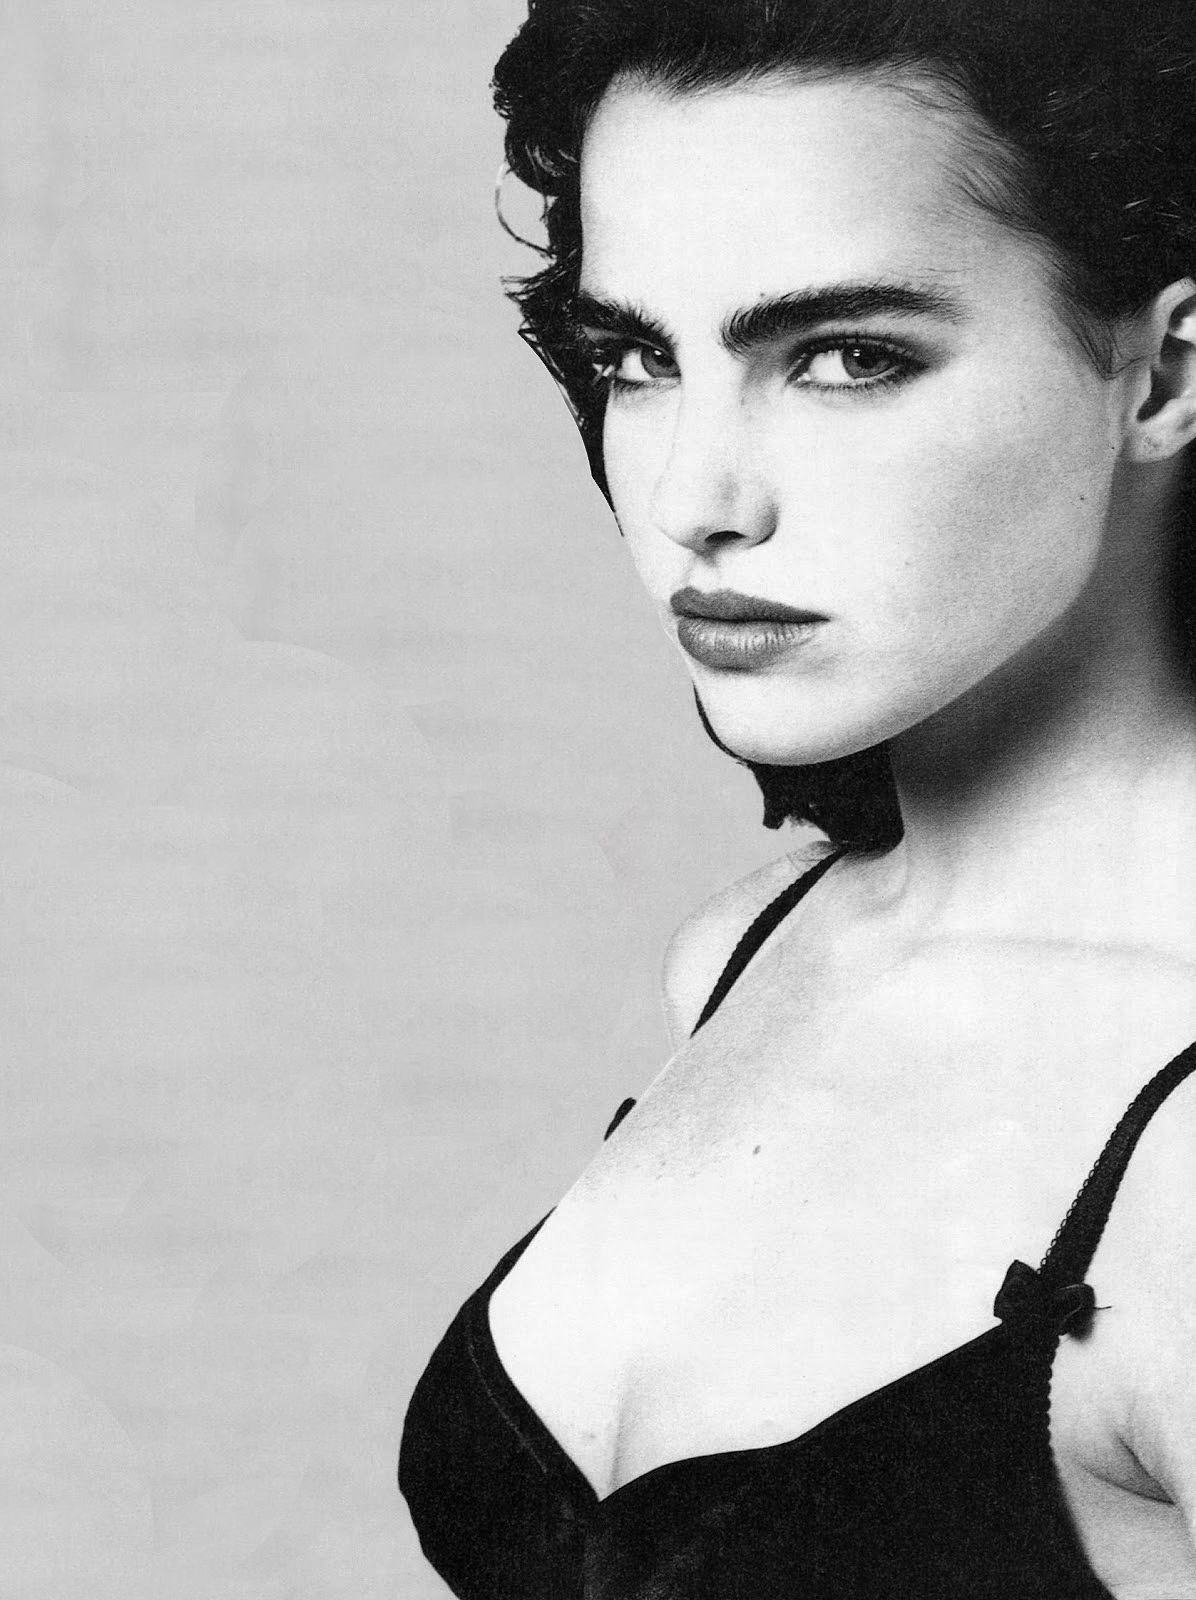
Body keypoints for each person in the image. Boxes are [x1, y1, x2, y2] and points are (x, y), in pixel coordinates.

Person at [399, 1, 1196, 1593]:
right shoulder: (744, 952)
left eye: (845, 359)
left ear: (1165, 373)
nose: (694, 498)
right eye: (637, 359)